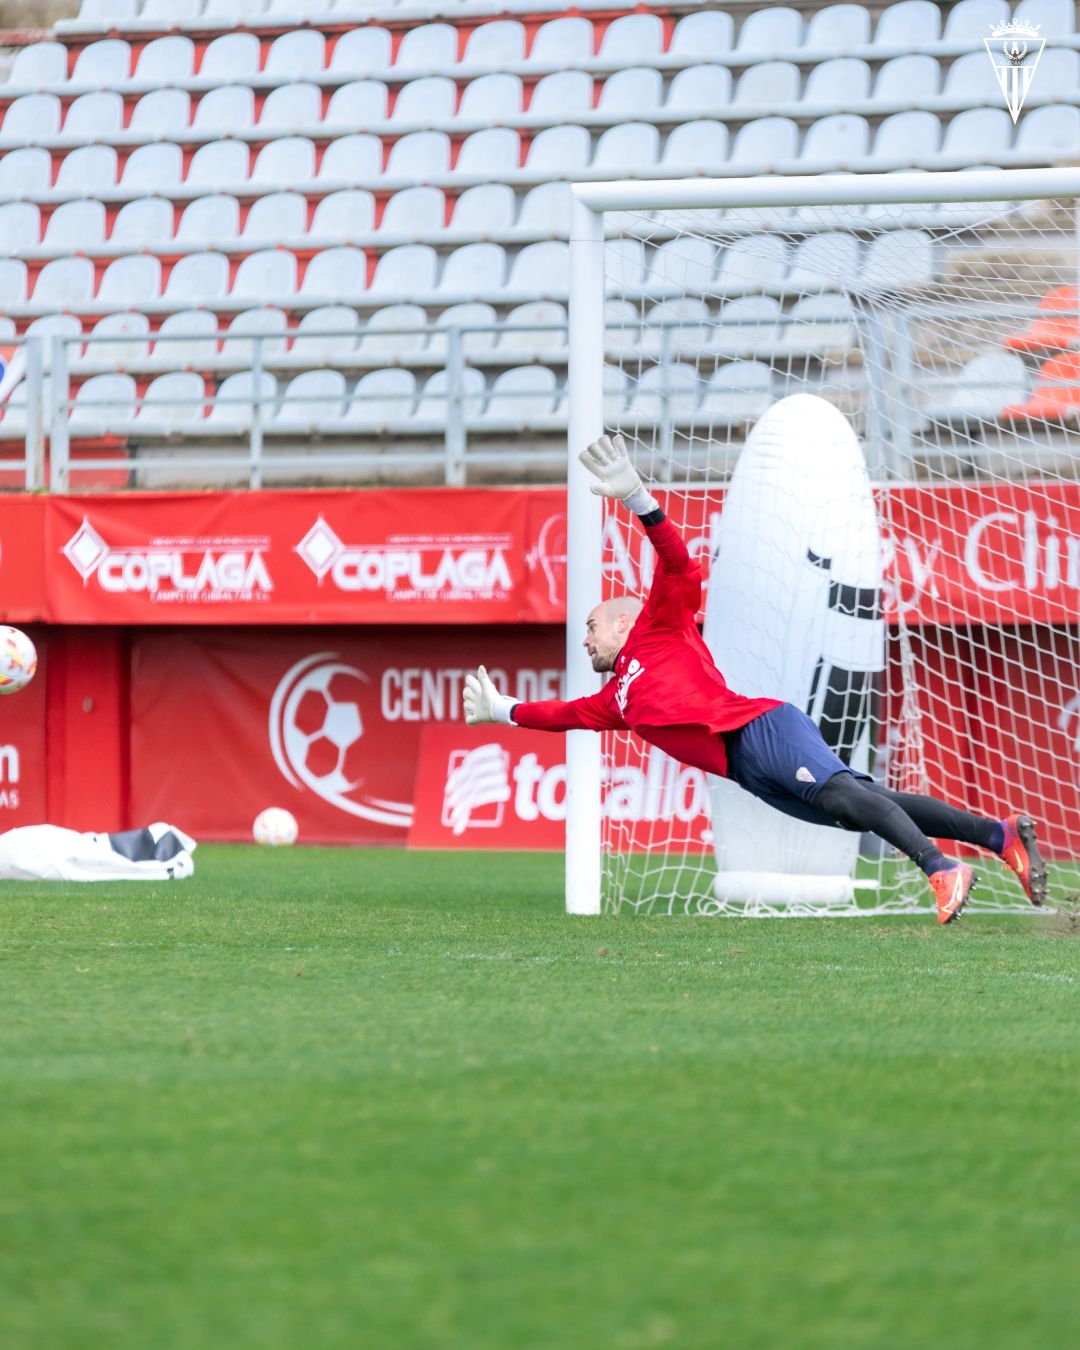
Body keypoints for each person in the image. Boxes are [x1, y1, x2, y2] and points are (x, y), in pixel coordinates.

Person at [462, 434, 1048, 925]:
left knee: (848, 796)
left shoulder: (657, 626)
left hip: (759, 728)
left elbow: (679, 565)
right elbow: (561, 716)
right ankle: (999, 837)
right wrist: (503, 709)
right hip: (749, 769)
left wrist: (639, 500)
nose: (585, 639)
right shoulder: (615, 699)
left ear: (620, 620)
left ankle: (942, 870)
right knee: (867, 803)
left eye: (591, 627)